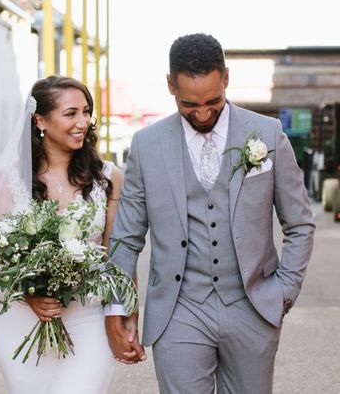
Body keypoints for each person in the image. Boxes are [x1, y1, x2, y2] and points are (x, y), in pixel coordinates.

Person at [106, 33, 315, 394]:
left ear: (227, 78)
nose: (203, 113)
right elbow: (126, 237)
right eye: (189, 103)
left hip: (252, 305)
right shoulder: (146, 145)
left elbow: (299, 224)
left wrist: (283, 293)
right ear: (170, 84)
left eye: (213, 102)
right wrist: (116, 308)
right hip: (178, 308)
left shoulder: (268, 134)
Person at [0, 76, 124, 394]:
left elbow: (117, 254)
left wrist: (122, 316)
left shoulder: (108, 178)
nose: (83, 122)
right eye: (71, 114)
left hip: (87, 321)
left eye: (86, 111)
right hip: (21, 325)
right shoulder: (10, 180)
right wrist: (28, 293)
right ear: (40, 120)